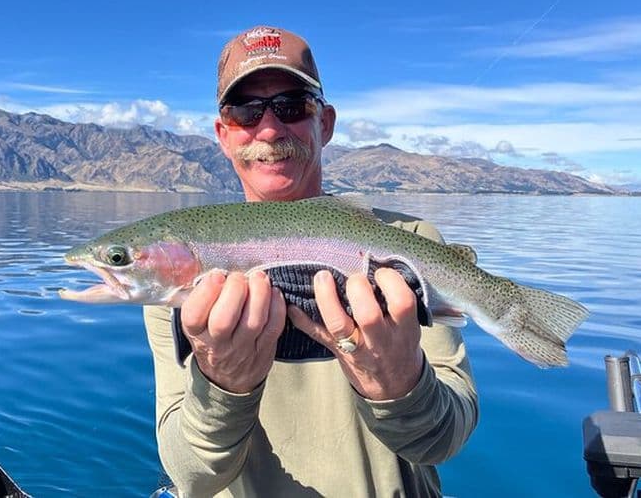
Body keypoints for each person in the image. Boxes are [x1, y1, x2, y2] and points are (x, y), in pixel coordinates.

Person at [144, 25, 478, 497]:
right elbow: (190, 476)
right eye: (245, 111)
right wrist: (222, 384)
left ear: (325, 122)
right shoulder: (178, 282)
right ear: (223, 134)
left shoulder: (407, 245)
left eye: (291, 106)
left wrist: (401, 386)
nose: (269, 128)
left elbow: (445, 439)